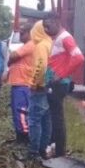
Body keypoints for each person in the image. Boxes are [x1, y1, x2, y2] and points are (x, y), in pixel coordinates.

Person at [44, 18, 85, 157]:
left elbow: (79, 58)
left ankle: (60, 152)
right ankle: (54, 147)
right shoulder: (58, 38)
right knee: (53, 116)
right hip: (54, 82)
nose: (46, 30)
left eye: (48, 26)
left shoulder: (66, 38)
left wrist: (61, 74)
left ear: (57, 22)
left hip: (58, 84)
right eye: (44, 27)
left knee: (57, 118)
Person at [26, 21, 54, 159]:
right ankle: (43, 149)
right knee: (45, 119)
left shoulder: (41, 46)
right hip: (48, 86)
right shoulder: (50, 43)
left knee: (34, 120)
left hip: (39, 87)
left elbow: (40, 66)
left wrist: (34, 82)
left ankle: (34, 152)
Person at [5, 22, 36, 144]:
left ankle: (24, 136)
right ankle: (20, 135)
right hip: (19, 83)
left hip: (23, 83)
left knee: (21, 111)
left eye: (22, 34)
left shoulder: (30, 45)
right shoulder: (27, 45)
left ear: (30, 33)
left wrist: (10, 60)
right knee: (17, 110)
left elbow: (13, 56)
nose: (20, 36)